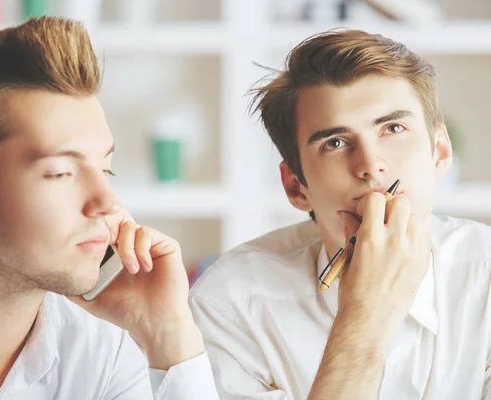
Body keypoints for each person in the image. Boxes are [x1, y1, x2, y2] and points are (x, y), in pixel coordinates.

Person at [0, 17, 218, 399]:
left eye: (105, 168)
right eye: (62, 173)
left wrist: (167, 331)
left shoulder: (104, 347)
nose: (108, 203)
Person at [189, 29, 491, 399]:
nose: (370, 165)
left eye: (393, 128)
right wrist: (365, 317)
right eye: (335, 143)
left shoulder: (485, 277)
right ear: (296, 188)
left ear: (440, 152)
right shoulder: (229, 305)